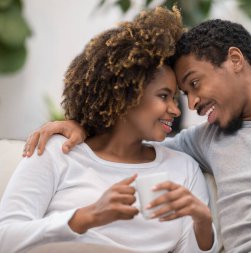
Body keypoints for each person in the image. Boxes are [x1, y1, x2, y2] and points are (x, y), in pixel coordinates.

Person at [22, 18, 251, 253]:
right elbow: (134, 139)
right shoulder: (207, 139)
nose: (191, 104)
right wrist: (84, 126)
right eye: (181, 93)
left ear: (235, 60)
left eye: (194, 84)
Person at [0, 7, 218, 253]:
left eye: (175, 98)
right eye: (164, 96)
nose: (175, 110)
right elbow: (5, 237)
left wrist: (202, 221)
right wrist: (86, 217)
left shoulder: (183, 168)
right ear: (126, 95)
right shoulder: (58, 151)